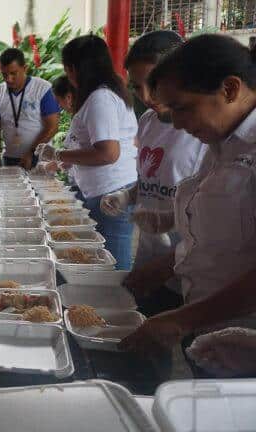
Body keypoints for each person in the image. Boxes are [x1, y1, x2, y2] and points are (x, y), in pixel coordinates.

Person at [118, 34, 256, 356]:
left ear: (230, 89)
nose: (176, 123)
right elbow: (220, 238)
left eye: (182, 108)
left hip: (243, 340)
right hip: (209, 327)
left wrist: (182, 320)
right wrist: (168, 266)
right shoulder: (220, 143)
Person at [100, 31, 207, 316]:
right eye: (136, 87)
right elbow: (152, 177)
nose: (146, 97)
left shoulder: (204, 130)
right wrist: (127, 195)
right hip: (150, 257)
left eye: (154, 84)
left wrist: (170, 258)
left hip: (189, 265)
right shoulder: (148, 121)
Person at [36, 35, 138, 270]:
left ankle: (119, 303)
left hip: (111, 193)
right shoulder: (104, 93)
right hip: (103, 190)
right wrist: (63, 161)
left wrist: (58, 155)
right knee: (103, 258)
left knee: (112, 265)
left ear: (73, 69)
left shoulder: (100, 98)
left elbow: (107, 153)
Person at [0, 48, 60, 169]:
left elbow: (52, 127)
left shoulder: (43, 89)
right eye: (4, 74)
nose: (8, 79)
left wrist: (31, 152)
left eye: (13, 73)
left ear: (25, 68)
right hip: (10, 159)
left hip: (41, 158)